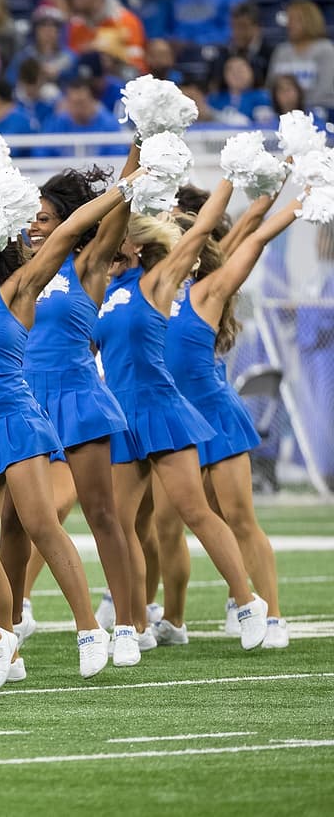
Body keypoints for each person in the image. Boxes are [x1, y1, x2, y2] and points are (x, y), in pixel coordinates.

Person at [0, 175, 141, 680]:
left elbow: (71, 232)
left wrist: (126, 186)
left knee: (42, 523)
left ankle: (90, 628)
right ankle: (4, 646)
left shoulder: (17, 288)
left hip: (17, 421)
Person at [92, 184, 270, 653]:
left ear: (134, 244)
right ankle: (132, 627)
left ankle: (248, 603)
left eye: (114, 239)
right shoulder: (103, 291)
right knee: (121, 523)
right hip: (121, 414)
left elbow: (201, 231)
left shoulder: (157, 282)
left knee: (195, 510)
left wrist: (230, 178)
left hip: (161, 408)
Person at [0, 158, 145, 667]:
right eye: (30, 218)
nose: (34, 225)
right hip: (23, 403)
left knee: (104, 515)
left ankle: (125, 623)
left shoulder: (87, 265)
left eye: (44, 217)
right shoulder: (17, 273)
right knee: (14, 522)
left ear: (67, 220)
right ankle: (9, 628)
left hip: (77, 398)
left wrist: (141, 142)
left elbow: (117, 212)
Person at [156, 195, 300, 649]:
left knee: (238, 515)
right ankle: (173, 620)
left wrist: (295, 198)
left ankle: (272, 615)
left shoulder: (210, 289)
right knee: (166, 523)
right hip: (172, 421)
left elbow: (252, 235)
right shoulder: (145, 294)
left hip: (214, 415)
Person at [65, 0, 147, 74]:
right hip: (84, 83)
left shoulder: (125, 21)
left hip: (121, 82)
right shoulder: (76, 24)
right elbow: (71, 61)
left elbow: (138, 65)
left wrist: (114, 53)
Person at [266, 0, 334, 114]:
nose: (289, 24)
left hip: (320, 110)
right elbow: (271, 85)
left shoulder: (325, 49)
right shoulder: (281, 51)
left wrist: (297, 106)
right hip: (284, 111)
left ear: (310, 21)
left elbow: (324, 89)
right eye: (289, 20)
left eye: (295, 20)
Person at [35, 78, 127, 158]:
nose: (78, 108)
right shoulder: (56, 123)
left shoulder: (109, 124)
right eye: (74, 103)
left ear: (93, 100)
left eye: (82, 102)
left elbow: (118, 156)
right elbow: (40, 155)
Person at [207, 3, 272, 97]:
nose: (237, 32)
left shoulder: (268, 53)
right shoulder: (223, 55)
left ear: (256, 27)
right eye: (234, 27)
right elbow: (214, 87)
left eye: (243, 26)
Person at [6, 6, 74, 87]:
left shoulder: (70, 56)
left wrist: (60, 74)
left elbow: (77, 81)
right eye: (43, 26)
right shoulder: (24, 56)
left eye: (54, 26)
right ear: (35, 31)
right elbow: (10, 80)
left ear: (59, 32)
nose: (48, 31)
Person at [209, 56, 271, 127]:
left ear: (251, 72)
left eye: (240, 69)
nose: (236, 74)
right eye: (230, 70)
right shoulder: (215, 98)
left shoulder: (263, 97)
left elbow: (265, 126)